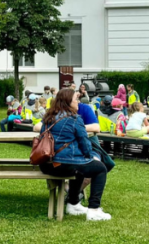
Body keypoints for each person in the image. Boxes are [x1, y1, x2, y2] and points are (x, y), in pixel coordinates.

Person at [37, 87, 111, 221]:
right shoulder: (74, 119)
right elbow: (85, 144)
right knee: (100, 168)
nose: (78, 101)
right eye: (75, 99)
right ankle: (94, 210)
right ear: (68, 102)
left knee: (80, 168)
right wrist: (89, 157)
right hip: (63, 164)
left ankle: (74, 204)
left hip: (46, 164)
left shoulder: (48, 117)